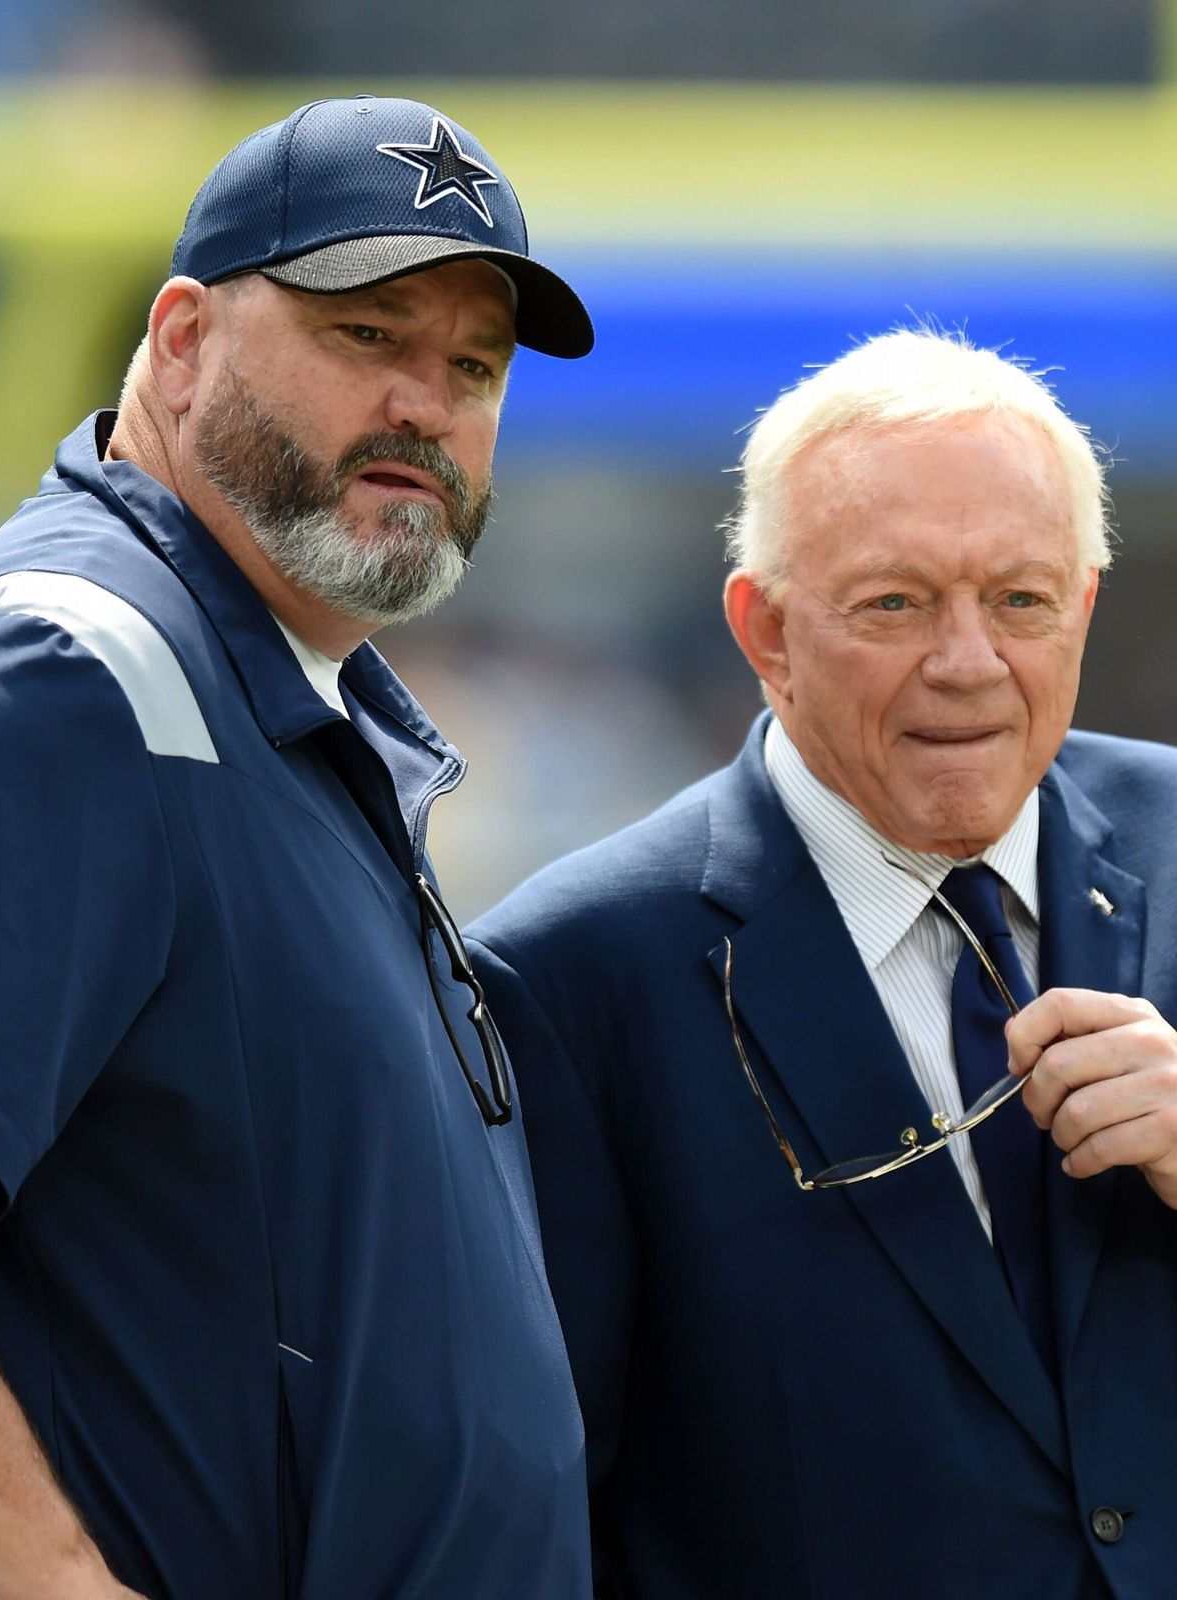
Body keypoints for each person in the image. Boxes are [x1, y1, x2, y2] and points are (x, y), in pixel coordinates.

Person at [0, 95, 595, 1600]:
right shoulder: (83, 669)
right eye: (369, 336)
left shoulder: (281, 696)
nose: (428, 407)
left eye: (473, 366)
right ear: (182, 341)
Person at [466, 328, 1177, 1600]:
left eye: (1020, 599)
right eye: (895, 603)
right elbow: (533, 1506)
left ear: (1082, 607)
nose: (967, 661)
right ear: (767, 631)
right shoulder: (566, 978)